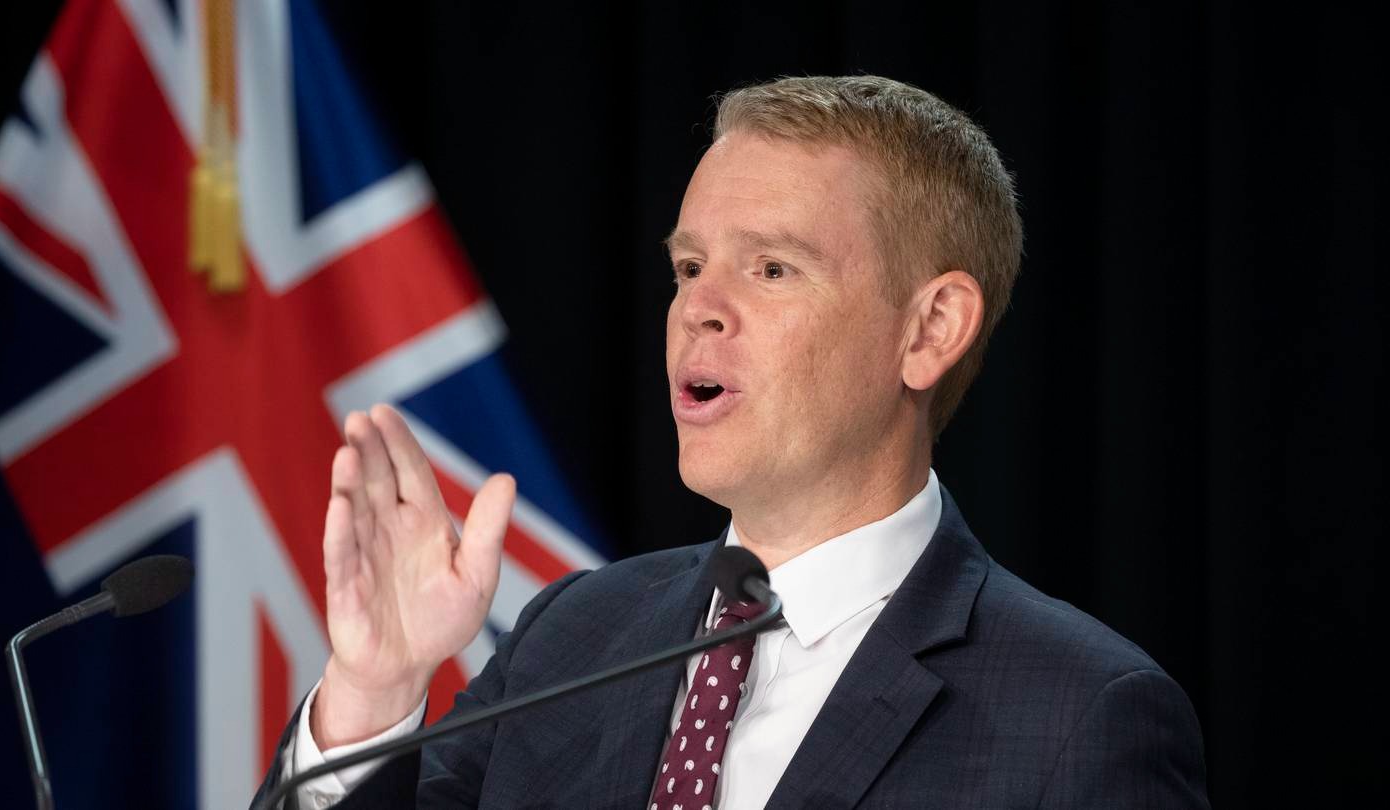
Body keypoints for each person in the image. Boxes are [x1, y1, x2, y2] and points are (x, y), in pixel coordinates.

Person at [255, 75, 1210, 809]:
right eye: (688, 266)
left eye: (772, 267)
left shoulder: (1081, 716)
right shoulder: (573, 637)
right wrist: (371, 699)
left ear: (929, 330)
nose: (697, 311)